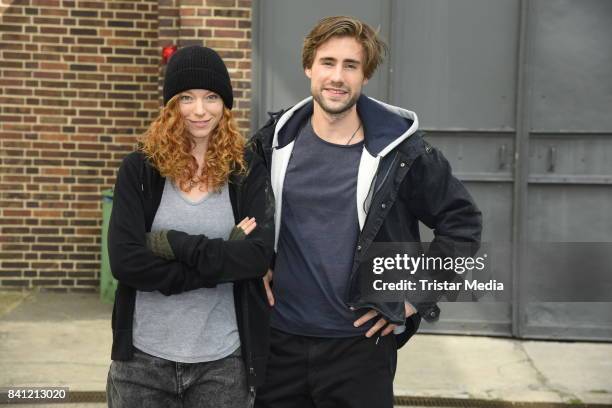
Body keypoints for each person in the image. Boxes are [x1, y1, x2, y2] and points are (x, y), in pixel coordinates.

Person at [250, 16, 482, 408]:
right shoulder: (272, 143)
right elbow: (238, 209)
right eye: (327, 62)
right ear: (309, 67)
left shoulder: (402, 153)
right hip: (279, 344)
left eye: (350, 66)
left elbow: (462, 225)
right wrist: (253, 262)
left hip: (360, 349)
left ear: (365, 75)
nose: (337, 76)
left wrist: (411, 297)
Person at [106, 45, 274, 408]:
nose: (200, 111)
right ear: (170, 106)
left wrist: (172, 243)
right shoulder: (139, 170)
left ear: (225, 105)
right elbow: (125, 263)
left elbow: (256, 257)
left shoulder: (246, 171)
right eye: (186, 98)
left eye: (211, 97)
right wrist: (219, 261)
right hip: (142, 363)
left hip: (223, 364)